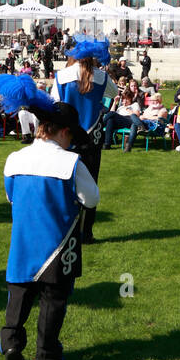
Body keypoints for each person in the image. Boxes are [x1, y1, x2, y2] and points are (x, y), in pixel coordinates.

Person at [0, 75, 100, 360]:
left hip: (23, 243)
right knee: (53, 302)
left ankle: (12, 341)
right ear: (64, 132)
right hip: (59, 244)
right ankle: (47, 357)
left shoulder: (14, 158)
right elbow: (91, 199)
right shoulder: (70, 162)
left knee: (18, 295)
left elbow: (11, 198)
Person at [50, 35, 114, 243]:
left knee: (65, 183)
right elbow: (113, 93)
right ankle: (87, 232)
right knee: (90, 185)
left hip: (67, 137)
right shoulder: (101, 77)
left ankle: (66, 229)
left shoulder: (62, 76)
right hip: (92, 139)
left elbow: (54, 103)